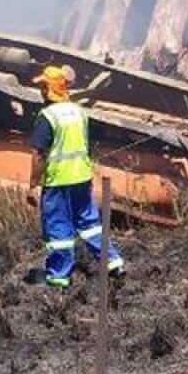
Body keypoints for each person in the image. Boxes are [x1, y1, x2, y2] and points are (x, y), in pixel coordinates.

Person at [23, 65, 124, 288]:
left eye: (42, 86)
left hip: (59, 182)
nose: (40, 90)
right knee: (90, 224)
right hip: (81, 178)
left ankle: (59, 277)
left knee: (58, 230)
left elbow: (38, 154)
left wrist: (32, 184)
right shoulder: (79, 112)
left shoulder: (47, 116)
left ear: (49, 89)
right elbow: (87, 146)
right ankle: (113, 262)